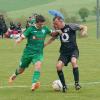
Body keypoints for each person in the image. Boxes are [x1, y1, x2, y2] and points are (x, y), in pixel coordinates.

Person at [9, 15, 53, 91]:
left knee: (38, 65)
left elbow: (53, 33)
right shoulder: (30, 29)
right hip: (28, 53)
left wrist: (58, 32)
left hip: (38, 53)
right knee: (21, 70)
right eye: (40, 24)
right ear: (36, 22)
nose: (42, 25)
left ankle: (34, 83)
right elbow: (23, 36)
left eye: (43, 24)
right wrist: (19, 40)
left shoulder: (45, 29)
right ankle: (15, 74)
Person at [45, 16, 88, 92]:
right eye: (54, 24)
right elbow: (52, 38)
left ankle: (77, 84)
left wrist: (84, 31)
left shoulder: (71, 26)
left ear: (61, 21)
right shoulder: (58, 31)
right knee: (58, 66)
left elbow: (84, 27)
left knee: (74, 61)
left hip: (73, 50)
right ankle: (64, 86)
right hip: (64, 53)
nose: (55, 25)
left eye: (56, 23)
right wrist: (44, 45)